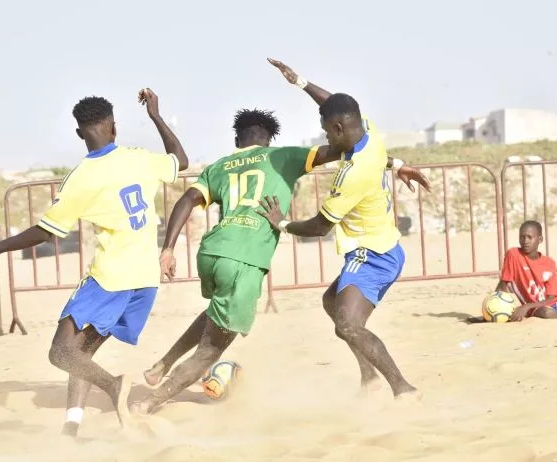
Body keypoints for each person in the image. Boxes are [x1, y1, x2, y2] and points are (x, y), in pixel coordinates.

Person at [130, 103, 428, 414]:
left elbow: (187, 199)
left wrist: (167, 248)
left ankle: (162, 363)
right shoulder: (282, 156)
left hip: (211, 252)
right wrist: (394, 164)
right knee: (211, 349)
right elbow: (348, 150)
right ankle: (149, 402)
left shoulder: (218, 166)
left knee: (217, 311)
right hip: (243, 261)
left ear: (237, 140)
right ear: (269, 139)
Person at [0, 89, 189, 437]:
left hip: (111, 277)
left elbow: (45, 232)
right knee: (81, 355)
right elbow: (180, 160)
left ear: (79, 133)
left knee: (60, 352)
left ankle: (114, 386)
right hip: (145, 278)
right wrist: (156, 116)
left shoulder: (81, 177)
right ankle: (72, 426)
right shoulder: (138, 158)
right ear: (114, 127)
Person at [257, 59, 425, 400]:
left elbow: (320, 226)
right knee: (331, 303)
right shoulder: (370, 133)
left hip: (372, 254)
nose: (324, 135)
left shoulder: (353, 173)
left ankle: (402, 388)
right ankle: (369, 376)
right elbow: (336, 104)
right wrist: (300, 82)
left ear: (336, 129)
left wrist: (282, 223)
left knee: (347, 325)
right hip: (381, 247)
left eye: (324, 129)